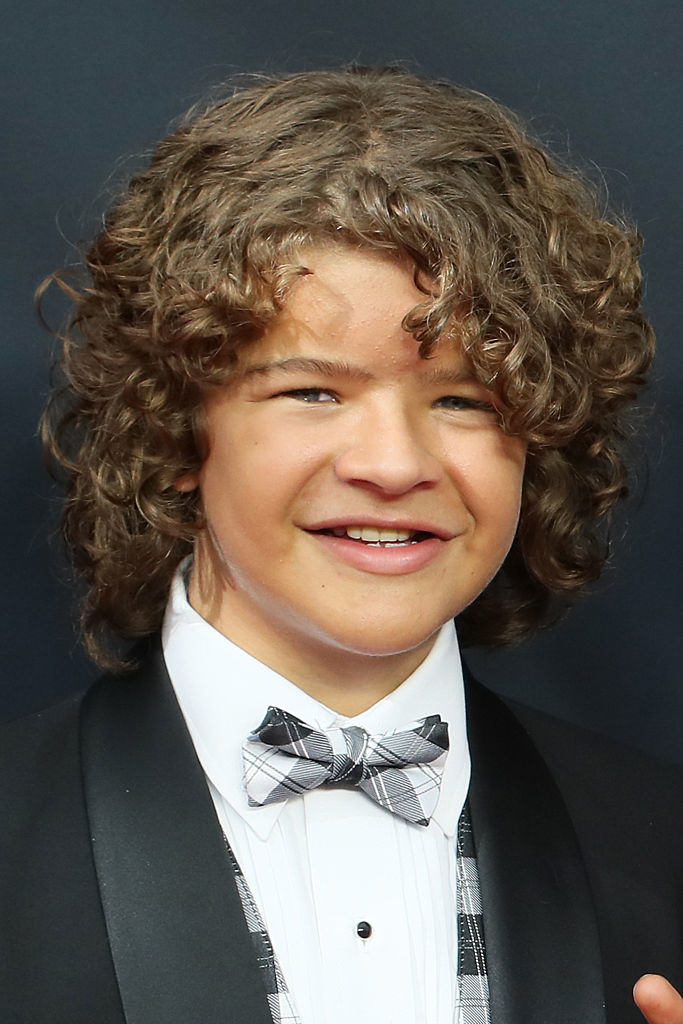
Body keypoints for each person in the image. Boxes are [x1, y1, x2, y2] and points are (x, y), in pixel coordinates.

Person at [1, 65, 682, 1024]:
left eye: (463, 400)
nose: (393, 464)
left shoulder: (660, 845)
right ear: (176, 429)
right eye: (312, 391)